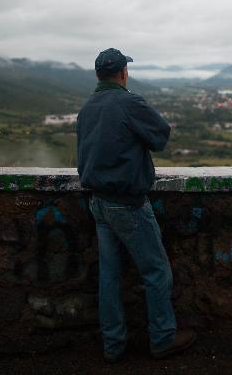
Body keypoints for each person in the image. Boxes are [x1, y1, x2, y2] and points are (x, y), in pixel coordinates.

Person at [76, 48, 196, 363]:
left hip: (98, 203)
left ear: (99, 75)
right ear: (123, 73)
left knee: (110, 277)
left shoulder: (87, 107)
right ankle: (162, 338)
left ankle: (113, 345)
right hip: (126, 203)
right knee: (156, 270)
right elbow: (160, 136)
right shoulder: (129, 102)